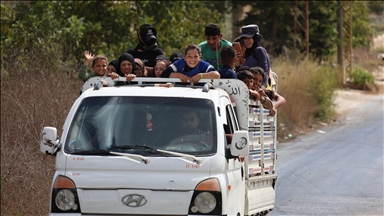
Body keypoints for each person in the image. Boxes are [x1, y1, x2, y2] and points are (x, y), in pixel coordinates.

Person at [236, 24, 270, 89]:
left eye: (249, 38)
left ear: (255, 38)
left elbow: (265, 72)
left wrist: (262, 88)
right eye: (245, 38)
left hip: (260, 88)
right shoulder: (247, 53)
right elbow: (240, 74)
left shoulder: (259, 51)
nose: (246, 41)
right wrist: (237, 62)